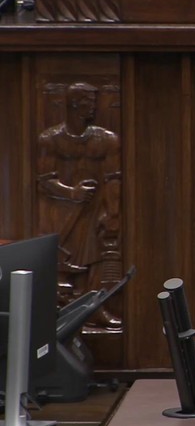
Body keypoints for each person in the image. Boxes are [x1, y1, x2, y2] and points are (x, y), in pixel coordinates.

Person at [37, 81, 122, 329]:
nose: (93, 107)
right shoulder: (50, 139)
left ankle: (93, 309)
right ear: (74, 104)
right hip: (59, 211)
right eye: (88, 102)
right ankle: (58, 313)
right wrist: (71, 192)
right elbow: (44, 180)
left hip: (94, 209)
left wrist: (113, 212)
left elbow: (113, 178)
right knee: (60, 262)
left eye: (94, 102)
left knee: (95, 258)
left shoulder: (107, 139)